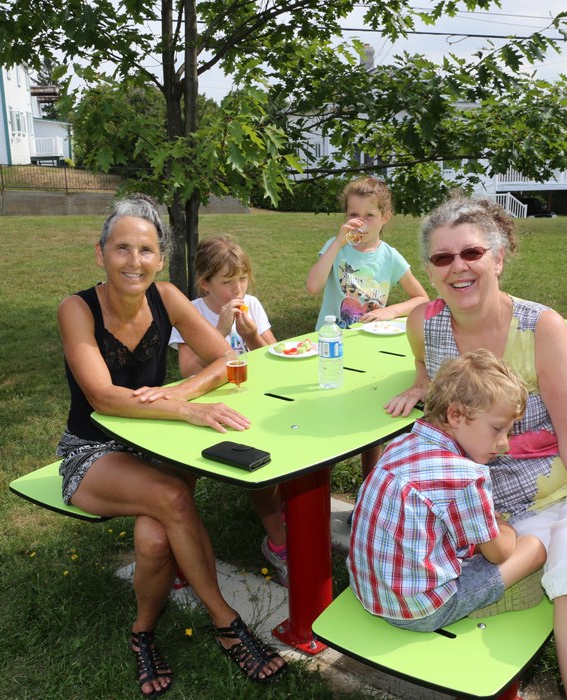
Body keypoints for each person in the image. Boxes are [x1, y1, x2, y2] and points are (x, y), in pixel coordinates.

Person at [385, 196, 567, 700]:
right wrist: (421, 383)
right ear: (430, 271)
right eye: (443, 258)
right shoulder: (424, 323)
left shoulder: (541, 327)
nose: (458, 267)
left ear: (498, 259)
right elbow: (424, 365)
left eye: (472, 253)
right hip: (501, 488)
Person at [56, 195, 286, 696]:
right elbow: (102, 395)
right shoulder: (77, 309)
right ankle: (227, 623)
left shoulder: (167, 298)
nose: (133, 261)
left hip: (154, 445)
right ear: (100, 254)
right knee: (173, 499)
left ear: (160, 258)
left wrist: (180, 392)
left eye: (145, 250)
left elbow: (227, 359)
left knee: (155, 540)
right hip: (92, 452)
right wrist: (185, 410)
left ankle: (141, 634)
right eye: (121, 248)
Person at [348, 349, 547, 632]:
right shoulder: (466, 476)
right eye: (497, 429)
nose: (504, 444)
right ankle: (488, 600)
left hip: (368, 590)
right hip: (422, 611)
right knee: (534, 548)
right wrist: (506, 528)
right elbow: (500, 554)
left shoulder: (399, 446)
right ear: (455, 415)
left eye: (509, 432)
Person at [167, 235, 288, 584]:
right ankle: (276, 539)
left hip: (252, 397)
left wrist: (251, 337)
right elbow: (188, 372)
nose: (238, 288)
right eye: (227, 281)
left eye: (243, 278)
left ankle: (281, 519)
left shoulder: (251, 303)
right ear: (205, 283)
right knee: (244, 461)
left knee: (276, 454)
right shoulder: (192, 311)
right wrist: (218, 330)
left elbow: (277, 357)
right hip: (209, 406)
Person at [305, 176, 429, 477]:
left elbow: (421, 297)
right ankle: (316, 469)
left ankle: (370, 482)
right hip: (331, 348)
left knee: (370, 415)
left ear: (384, 218)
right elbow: (312, 286)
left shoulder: (389, 256)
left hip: (371, 348)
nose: (359, 222)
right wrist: (337, 243)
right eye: (352, 215)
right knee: (327, 411)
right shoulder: (337, 249)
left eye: (369, 215)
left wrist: (391, 311)